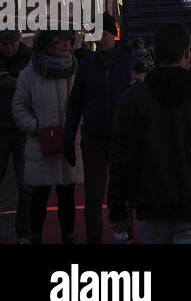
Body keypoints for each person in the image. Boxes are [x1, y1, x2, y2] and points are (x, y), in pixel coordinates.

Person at [108, 22, 191, 244]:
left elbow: (120, 157)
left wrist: (118, 206)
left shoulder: (134, 99)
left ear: (154, 52)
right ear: (187, 52)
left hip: (152, 204)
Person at [63, 14, 133, 244]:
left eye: (104, 34)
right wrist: (69, 138)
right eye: (96, 34)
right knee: (93, 195)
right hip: (93, 137)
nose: (100, 39)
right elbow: (75, 104)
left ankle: (126, 231)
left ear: (114, 35)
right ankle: (94, 237)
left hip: (123, 137)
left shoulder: (128, 62)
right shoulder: (86, 65)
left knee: (123, 189)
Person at [11, 31, 83, 244]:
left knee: (67, 195)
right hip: (40, 145)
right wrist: (36, 128)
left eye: (68, 40)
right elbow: (19, 107)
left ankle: (68, 237)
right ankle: (36, 237)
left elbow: (85, 103)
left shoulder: (75, 70)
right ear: (46, 45)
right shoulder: (29, 74)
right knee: (39, 196)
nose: (66, 45)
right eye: (60, 40)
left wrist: (77, 126)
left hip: (68, 144)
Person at [0, 30, 33, 243]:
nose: (9, 49)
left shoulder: (30, 60)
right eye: (5, 45)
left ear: (19, 41)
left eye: (12, 44)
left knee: (25, 185)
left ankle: (23, 232)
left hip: (22, 131)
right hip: (1, 129)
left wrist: (18, 83)